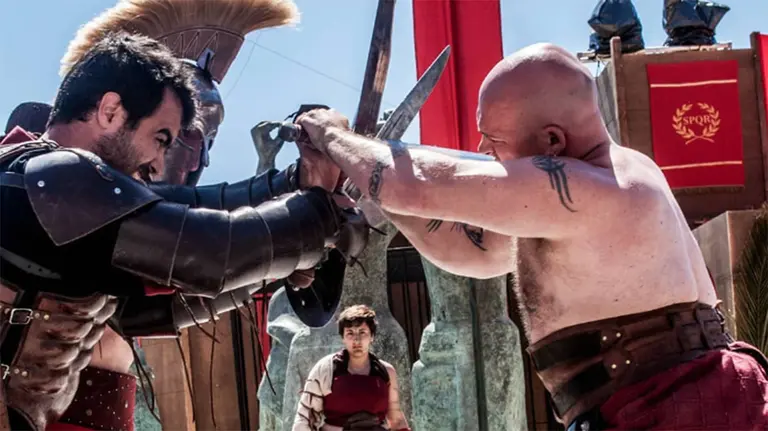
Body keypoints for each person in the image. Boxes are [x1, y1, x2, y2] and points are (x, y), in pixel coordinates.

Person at [295, 43, 768, 430]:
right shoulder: (572, 199)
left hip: (689, 408)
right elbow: (474, 252)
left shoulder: (599, 189)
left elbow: (411, 183)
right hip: (659, 402)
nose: (482, 150)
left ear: (552, 143)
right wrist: (371, 193)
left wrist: (332, 133)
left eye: (493, 138)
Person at [0, 31, 363, 431]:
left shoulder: (62, 197)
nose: (158, 162)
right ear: (109, 111)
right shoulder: (56, 175)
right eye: (160, 139)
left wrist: (291, 189)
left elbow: (150, 308)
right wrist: (322, 213)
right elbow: (206, 251)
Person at [293, 305, 410, 431]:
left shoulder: (385, 371)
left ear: (372, 336)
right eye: (350, 333)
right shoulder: (326, 369)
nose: (356, 339)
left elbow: (396, 420)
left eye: (362, 332)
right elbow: (305, 418)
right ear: (343, 337)